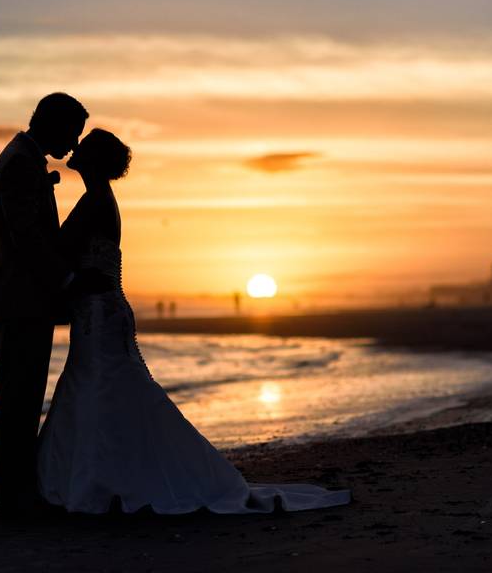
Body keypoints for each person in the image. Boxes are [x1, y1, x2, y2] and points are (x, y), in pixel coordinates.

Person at [36, 129, 350, 514]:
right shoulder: (98, 200)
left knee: (101, 386)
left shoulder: (95, 201)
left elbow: (58, 252)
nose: (75, 146)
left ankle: (98, 480)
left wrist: (42, 201)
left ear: (95, 159)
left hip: (99, 312)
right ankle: (99, 475)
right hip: (100, 310)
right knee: (103, 386)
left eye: (85, 144)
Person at [0, 92, 87, 515]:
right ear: (53, 124)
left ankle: (16, 493)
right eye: (73, 134)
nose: (75, 146)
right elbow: (28, 238)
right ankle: (14, 498)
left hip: (21, 299)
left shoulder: (22, 158)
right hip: (20, 300)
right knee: (18, 400)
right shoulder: (21, 165)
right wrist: (68, 279)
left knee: (21, 399)